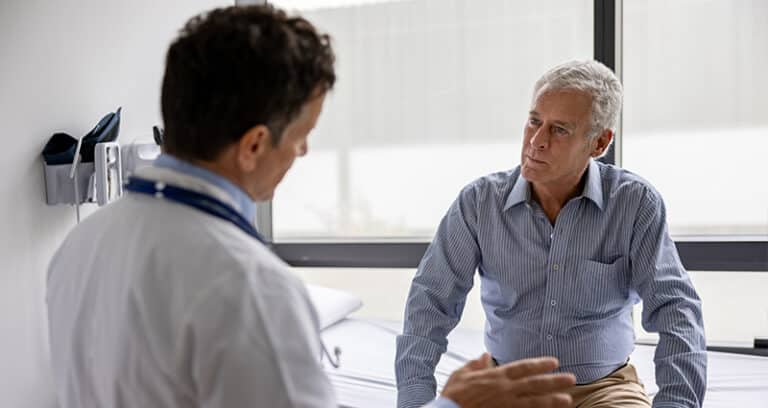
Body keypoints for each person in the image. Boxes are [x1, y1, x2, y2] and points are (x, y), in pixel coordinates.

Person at [46, 5, 576, 408]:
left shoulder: (79, 246)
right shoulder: (248, 288)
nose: (303, 152)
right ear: (254, 144)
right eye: (301, 135)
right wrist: (452, 403)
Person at [395, 60, 707, 408]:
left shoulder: (635, 204)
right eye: (534, 121)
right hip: (507, 389)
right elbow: (430, 304)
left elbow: (676, 310)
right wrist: (416, 403)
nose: (537, 141)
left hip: (604, 389)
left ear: (599, 142)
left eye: (560, 130)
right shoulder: (478, 203)